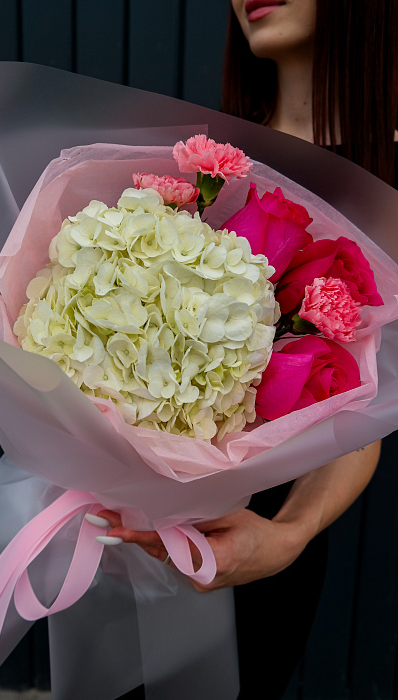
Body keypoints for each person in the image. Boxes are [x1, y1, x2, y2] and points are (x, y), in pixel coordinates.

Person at [104, 1, 398, 697]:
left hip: (253, 535)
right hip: (122, 520)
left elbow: (367, 404)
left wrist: (287, 535)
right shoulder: (205, 165)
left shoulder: (387, 171)